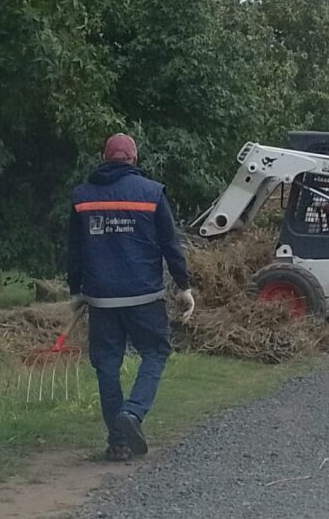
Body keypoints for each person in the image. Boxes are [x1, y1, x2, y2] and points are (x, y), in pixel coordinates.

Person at [66, 133, 196, 462]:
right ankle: (134, 412)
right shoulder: (152, 193)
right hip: (144, 298)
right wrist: (183, 286)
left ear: (104, 158)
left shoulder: (82, 196)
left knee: (107, 366)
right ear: (134, 159)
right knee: (156, 351)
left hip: (101, 300)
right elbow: (170, 244)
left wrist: (75, 291)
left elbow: (74, 250)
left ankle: (119, 443)